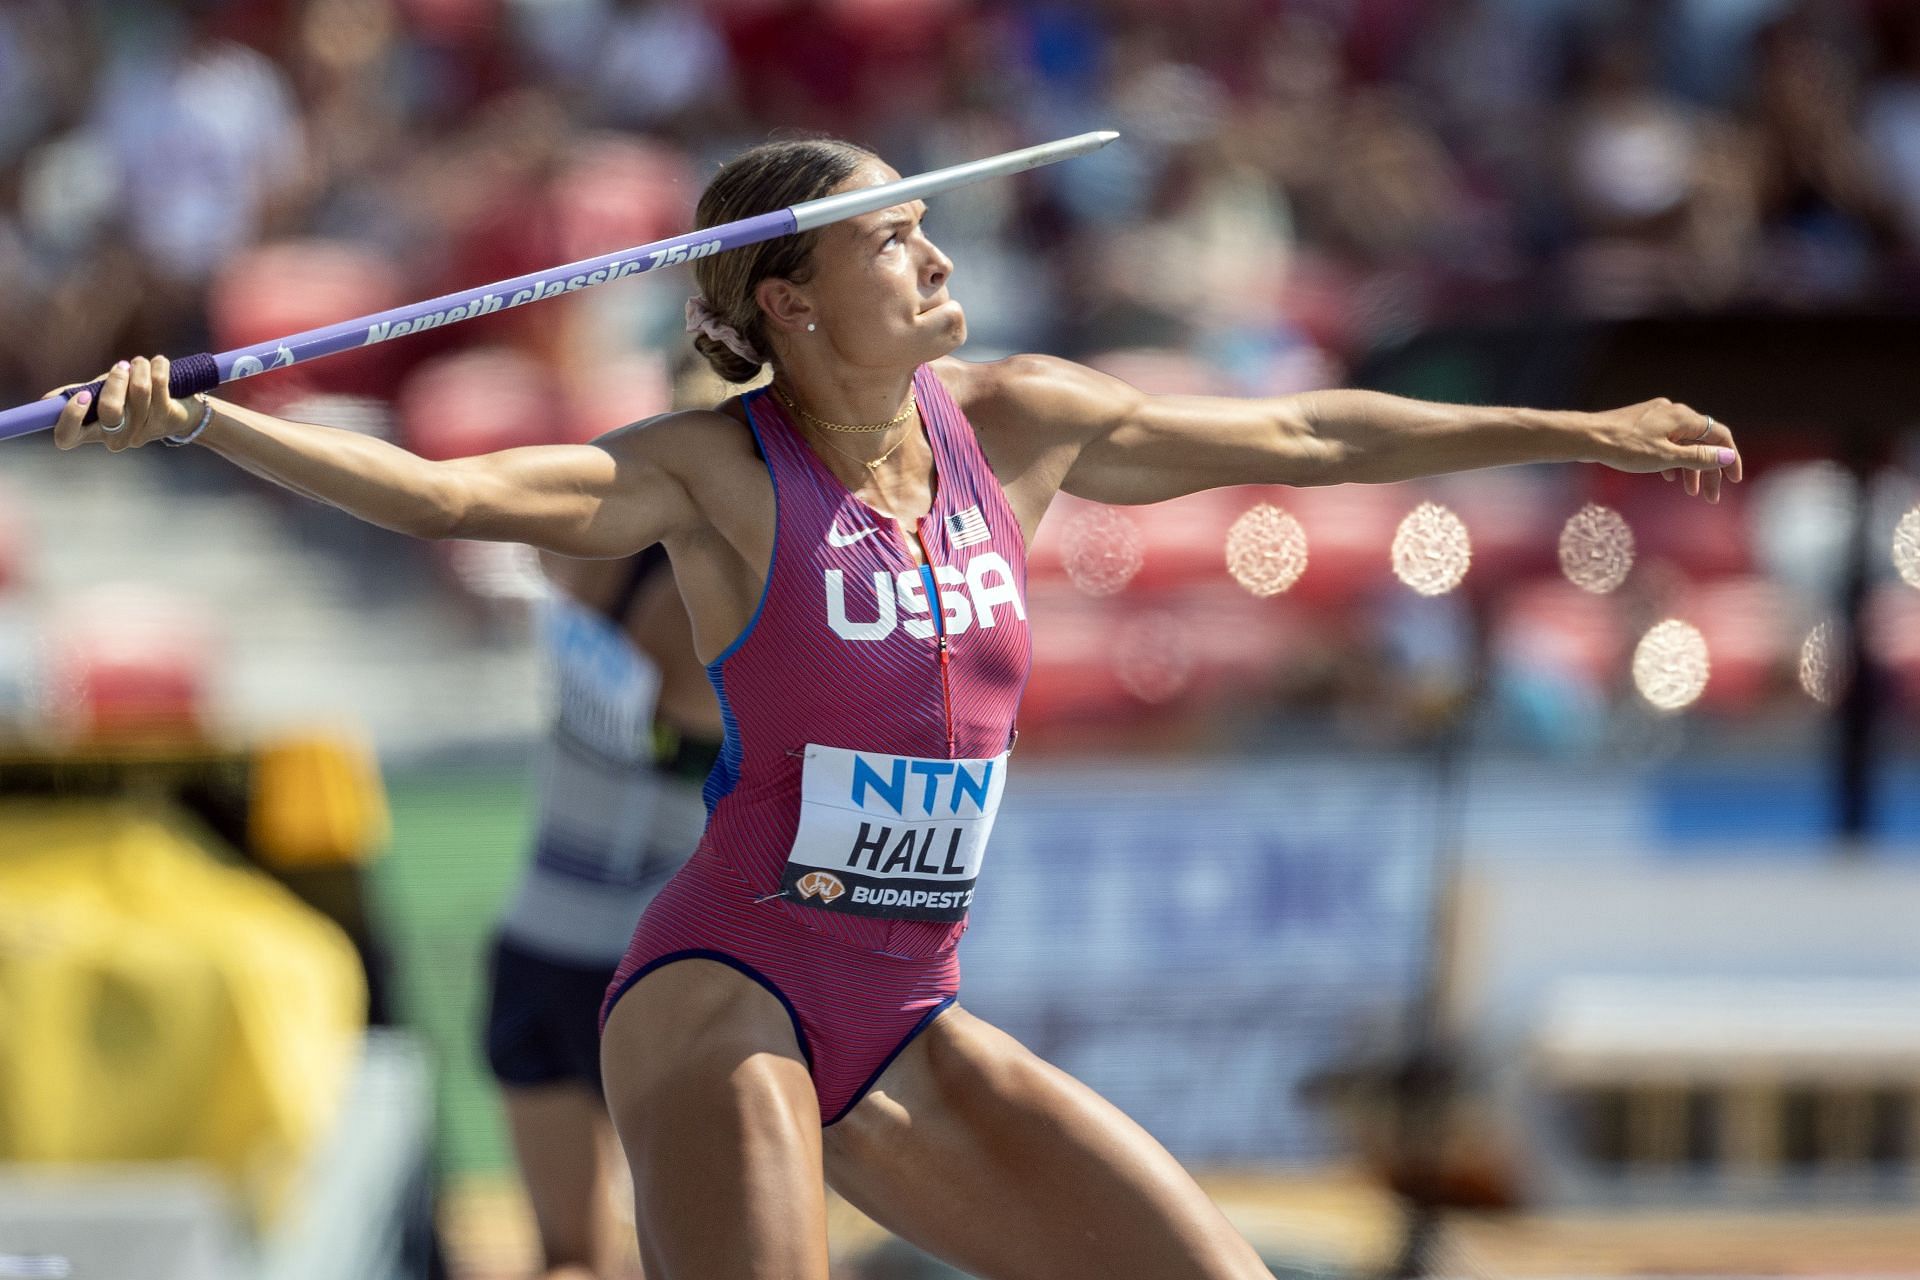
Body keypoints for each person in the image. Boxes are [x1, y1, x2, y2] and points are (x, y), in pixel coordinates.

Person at [49, 135, 1741, 1280]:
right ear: (789, 300)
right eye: (892, 237)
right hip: (727, 993)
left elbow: (1305, 443)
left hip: (906, 1018)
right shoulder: (716, 473)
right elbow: (443, 498)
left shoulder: (1015, 421)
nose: (936, 253)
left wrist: (1563, 427)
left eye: (928, 226)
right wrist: (202, 423)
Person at [484, 361, 730, 1280]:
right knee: (669, 1259)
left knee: (585, 1258)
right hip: (628, 971)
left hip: (558, 952)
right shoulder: (720, 598)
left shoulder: (591, 560)